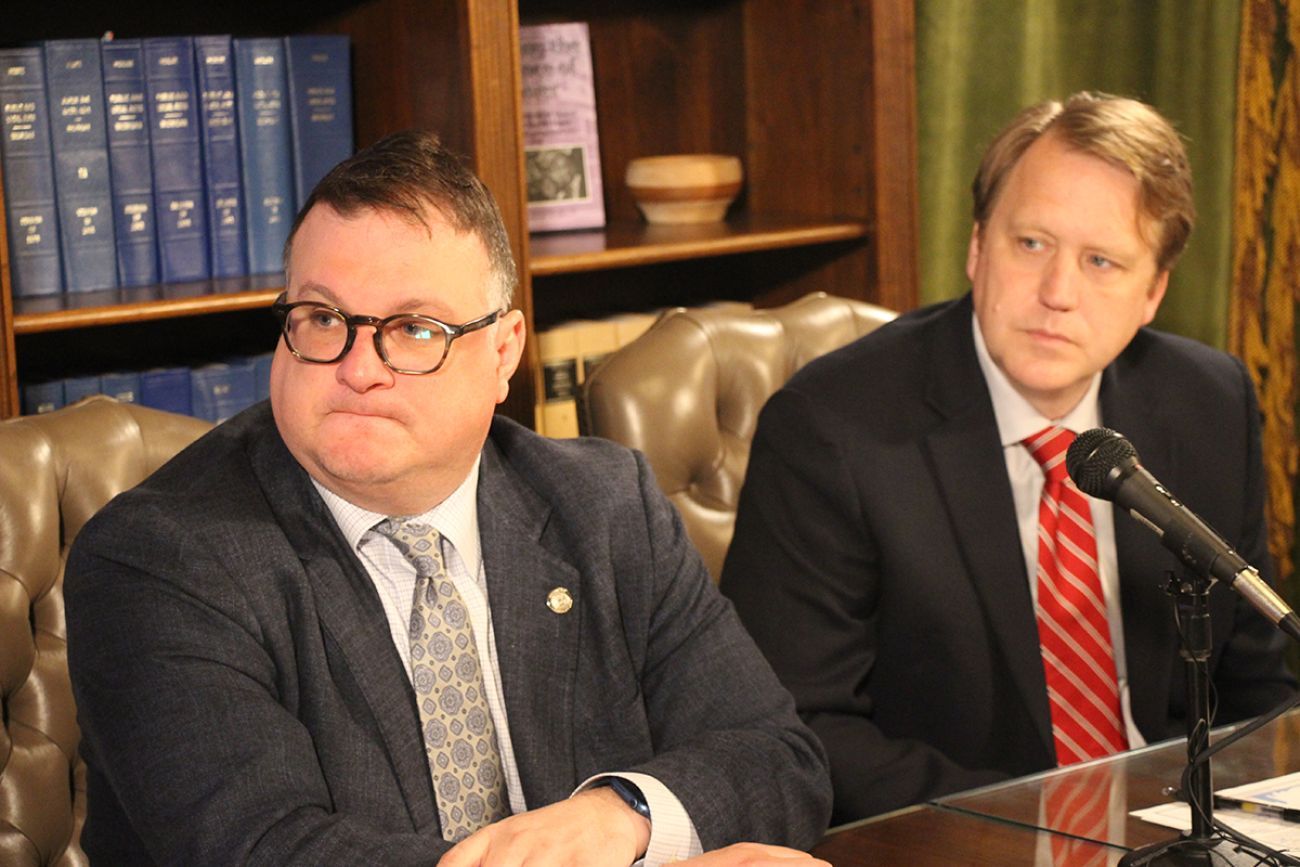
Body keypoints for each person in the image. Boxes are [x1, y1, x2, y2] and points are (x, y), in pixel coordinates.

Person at [64, 130, 832, 866]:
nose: (358, 367)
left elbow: (776, 759)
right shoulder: (161, 557)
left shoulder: (604, 506)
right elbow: (266, 849)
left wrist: (620, 815)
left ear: (504, 353)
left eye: (413, 329)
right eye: (325, 318)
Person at [719, 91, 1297, 824]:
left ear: (1153, 291)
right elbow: (798, 731)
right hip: (965, 837)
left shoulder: (1206, 401)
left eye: (1102, 261)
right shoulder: (831, 429)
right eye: (1031, 244)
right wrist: (1051, 825)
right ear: (976, 245)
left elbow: (1257, 691)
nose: (1057, 292)